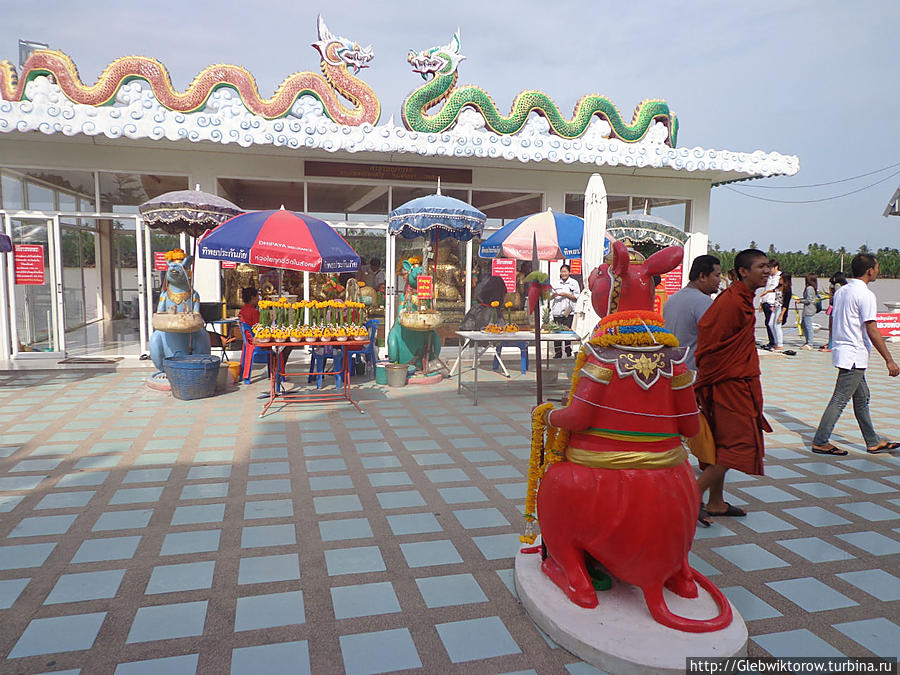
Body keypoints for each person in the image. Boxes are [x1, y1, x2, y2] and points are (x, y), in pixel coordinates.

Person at [694, 249, 772, 525]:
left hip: (735, 380)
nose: (766, 271)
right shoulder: (731, 301)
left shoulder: (742, 298)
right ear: (742, 271)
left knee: (722, 445)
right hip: (727, 384)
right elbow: (710, 340)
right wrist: (711, 377)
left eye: (768, 266)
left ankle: (715, 503)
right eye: (760, 267)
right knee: (736, 446)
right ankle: (690, 497)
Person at [810, 254, 899, 456]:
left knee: (862, 397)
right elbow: (872, 329)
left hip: (845, 351)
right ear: (870, 271)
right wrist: (889, 360)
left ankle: (873, 441)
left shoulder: (843, 291)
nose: (878, 271)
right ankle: (820, 441)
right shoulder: (865, 295)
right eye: (877, 268)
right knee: (840, 398)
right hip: (854, 354)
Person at [663, 254, 722, 370]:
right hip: (693, 374)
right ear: (702, 276)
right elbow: (716, 340)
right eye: (717, 275)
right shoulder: (704, 302)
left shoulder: (672, 299)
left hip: (671, 370)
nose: (720, 280)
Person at [550, 264, 580, 358]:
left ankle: (568, 351)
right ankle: (558, 353)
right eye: (562, 272)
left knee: (567, 333)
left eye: (565, 271)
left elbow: (577, 296)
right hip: (557, 311)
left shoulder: (574, 283)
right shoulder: (555, 283)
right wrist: (553, 295)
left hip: (568, 312)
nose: (563, 273)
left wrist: (566, 294)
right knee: (557, 333)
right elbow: (549, 296)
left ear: (569, 272)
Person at [820, 272, 847, 352]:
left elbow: (837, 297)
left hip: (834, 309)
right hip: (838, 309)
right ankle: (831, 344)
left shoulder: (837, 286)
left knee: (832, 328)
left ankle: (831, 346)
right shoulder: (845, 286)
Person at [759, 259, 781, 348]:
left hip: (773, 303)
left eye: (771, 268)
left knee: (773, 323)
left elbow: (779, 292)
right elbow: (765, 290)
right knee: (767, 323)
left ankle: (775, 342)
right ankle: (771, 341)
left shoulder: (780, 277)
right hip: (765, 301)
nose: (769, 270)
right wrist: (761, 302)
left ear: (776, 267)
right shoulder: (769, 277)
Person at [771, 272, 792, 351]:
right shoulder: (779, 286)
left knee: (777, 325)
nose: (779, 280)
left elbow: (786, 304)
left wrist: (781, 315)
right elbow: (773, 290)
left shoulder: (788, 290)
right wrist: (765, 292)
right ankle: (775, 341)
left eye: (781, 278)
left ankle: (779, 344)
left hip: (781, 308)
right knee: (770, 324)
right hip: (775, 307)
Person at [799, 273, 819, 349]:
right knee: (804, 325)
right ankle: (807, 341)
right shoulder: (812, 288)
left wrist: (800, 301)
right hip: (808, 309)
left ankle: (810, 343)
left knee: (808, 326)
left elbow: (809, 300)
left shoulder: (809, 288)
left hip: (809, 309)